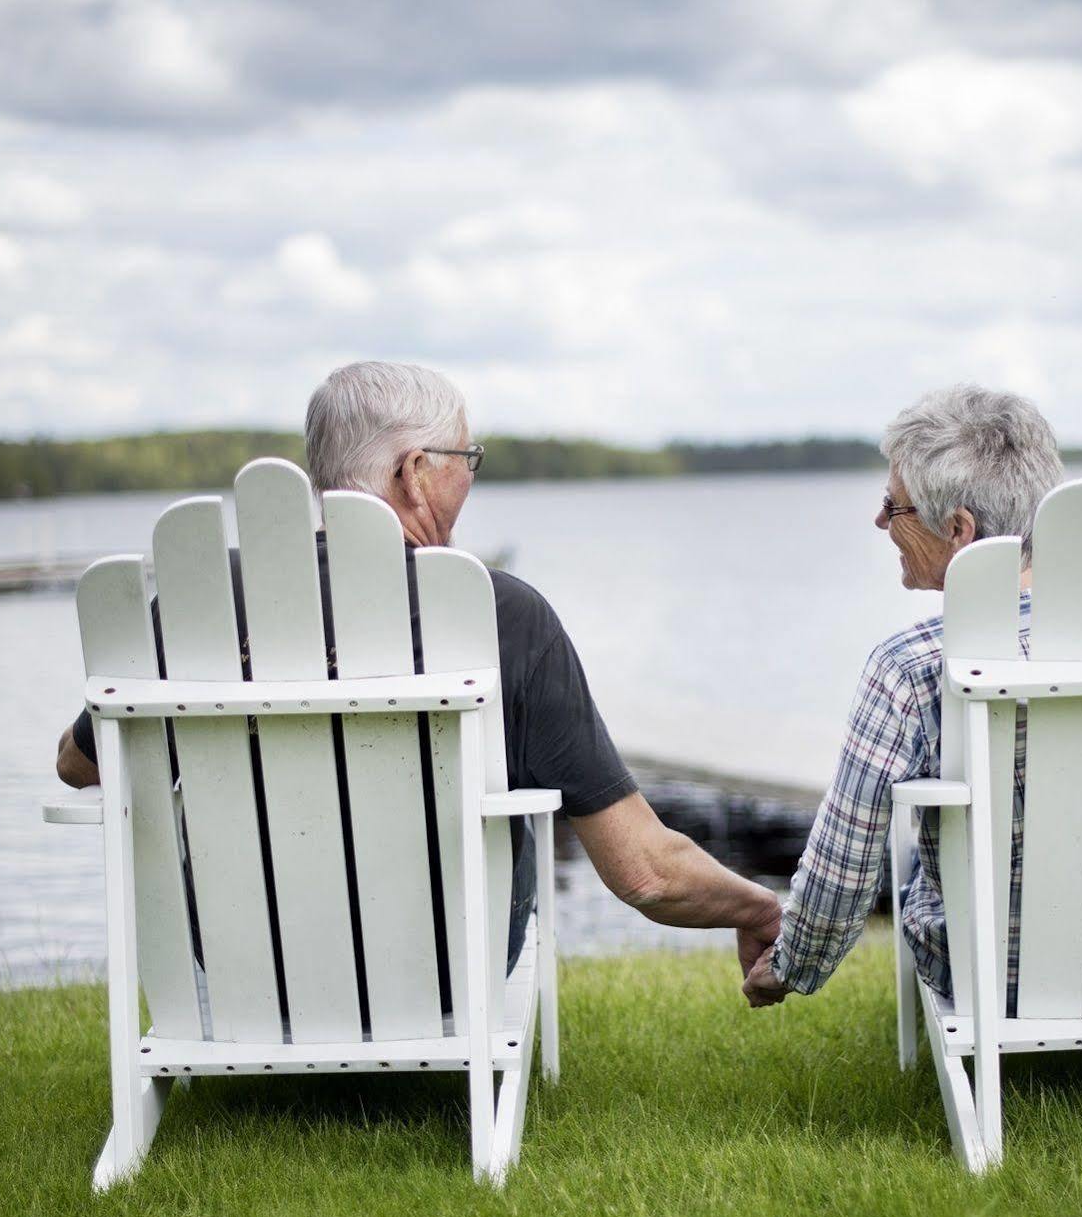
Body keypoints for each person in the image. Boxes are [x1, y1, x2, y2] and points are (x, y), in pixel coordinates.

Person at [56, 361, 780, 982]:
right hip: (446, 963)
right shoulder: (505, 615)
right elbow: (645, 873)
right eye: (467, 459)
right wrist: (761, 907)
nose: (471, 476)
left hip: (246, 956)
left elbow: (79, 767)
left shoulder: (199, 602)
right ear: (413, 472)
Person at [745, 383, 1082, 1014]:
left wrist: (790, 966)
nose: (878, 521)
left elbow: (845, 861)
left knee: (922, 858)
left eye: (894, 507)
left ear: (958, 531)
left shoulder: (910, 669)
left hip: (1003, 974)